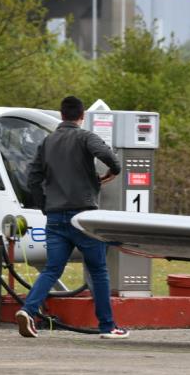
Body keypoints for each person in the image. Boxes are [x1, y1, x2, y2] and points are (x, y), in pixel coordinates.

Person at [16, 96, 130, 339]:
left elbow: (33, 179)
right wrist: (111, 173)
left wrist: (46, 206)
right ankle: (108, 326)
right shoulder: (85, 137)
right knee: (98, 270)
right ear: (83, 116)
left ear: (61, 114)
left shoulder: (47, 142)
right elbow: (110, 157)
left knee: (52, 270)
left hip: (55, 216)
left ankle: (28, 309)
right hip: (83, 216)